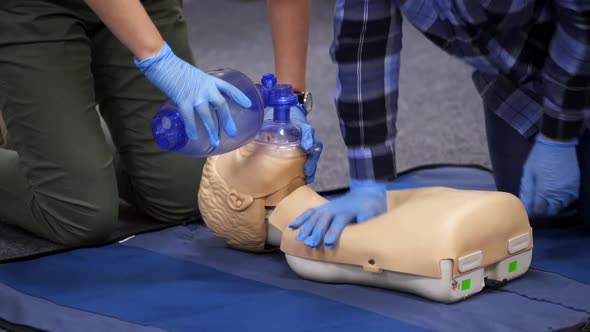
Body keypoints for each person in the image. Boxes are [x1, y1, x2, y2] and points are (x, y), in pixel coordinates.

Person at [0, 0, 316, 246]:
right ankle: (41, 135)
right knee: (79, 215)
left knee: (184, 194)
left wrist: (292, 99)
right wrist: (158, 58)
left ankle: (40, 136)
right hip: (31, 9)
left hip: (143, 5)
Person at [288, 0, 590, 248]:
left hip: (580, 58)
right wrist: (367, 179)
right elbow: (364, 38)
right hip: (513, 83)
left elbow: (582, 24)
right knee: (531, 215)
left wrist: (558, 135)